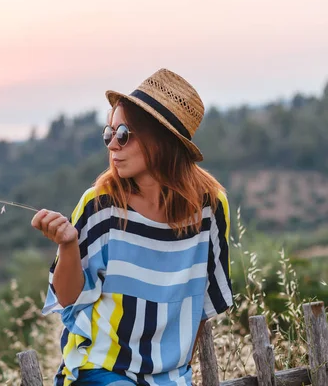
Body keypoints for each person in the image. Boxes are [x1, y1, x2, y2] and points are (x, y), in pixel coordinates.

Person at [31, 68, 233, 386]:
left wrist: (177, 370)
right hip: (100, 368)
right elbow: (69, 299)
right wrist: (67, 245)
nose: (112, 146)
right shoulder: (100, 203)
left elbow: (204, 300)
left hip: (171, 376)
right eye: (108, 134)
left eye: (123, 134)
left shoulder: (209, 207)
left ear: (161, 140)